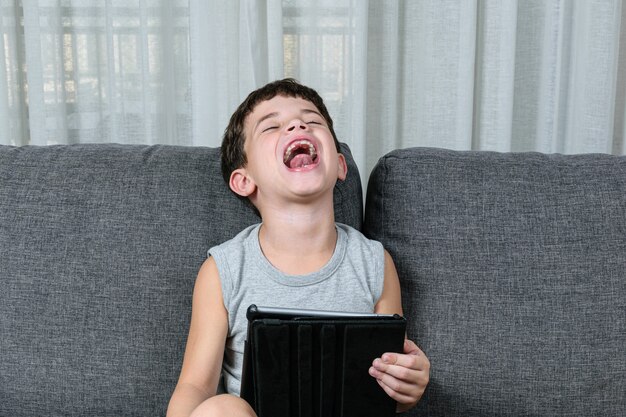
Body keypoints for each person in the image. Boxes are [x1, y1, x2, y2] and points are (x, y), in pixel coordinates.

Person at [166, 79, 430, 417]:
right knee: (221, 408)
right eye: (272, 126)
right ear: (244, 180)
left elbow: (386, 389)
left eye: (313, 120)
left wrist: (407, 388)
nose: (297, 124)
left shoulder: (375, 263)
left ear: (339, 165)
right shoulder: (224, 271)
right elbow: (194, 387)